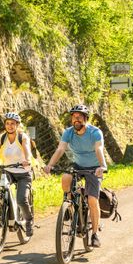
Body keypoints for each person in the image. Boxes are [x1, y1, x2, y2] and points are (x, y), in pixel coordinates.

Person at [44, 104, 107, 247]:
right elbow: (60, 149)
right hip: (78, 165)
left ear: (85, 118)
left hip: (94, 168)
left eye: (79, 117)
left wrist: (102, 166)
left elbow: (99, 148)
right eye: (73, 117)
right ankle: (69, 203)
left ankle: (95, 234)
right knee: (66, 177)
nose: (76, 120)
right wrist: (50, 165)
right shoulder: (68, 132)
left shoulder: (95, 132)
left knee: (92, 200)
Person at [0, 112, 34, 236]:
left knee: (21, 199)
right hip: (8, 170)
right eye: (7, 123)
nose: (9, 126)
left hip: (23, 173)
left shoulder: (22, 136)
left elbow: (27, 149)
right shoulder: (2, 137)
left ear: (17, 125)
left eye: (12, 124)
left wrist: (27, 160)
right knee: (1, 189)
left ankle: (29, 220)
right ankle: (1, 209)